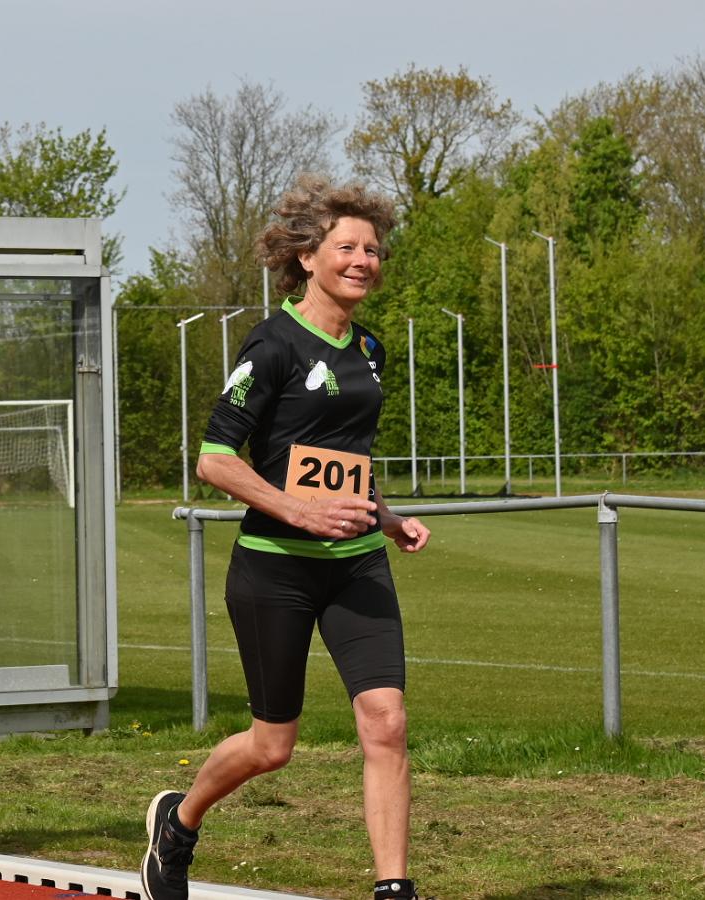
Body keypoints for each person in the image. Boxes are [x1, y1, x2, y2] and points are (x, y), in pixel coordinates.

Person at [141, 176, 432, 900]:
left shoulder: (371, 349)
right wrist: (298, 513)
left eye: (373, 249)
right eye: (347, 247)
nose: (363, 260)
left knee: (387, 722)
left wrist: (385, 517)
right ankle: (178, 822)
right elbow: (215, 460)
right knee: (273, 745)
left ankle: (393, 887)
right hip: (275, 569)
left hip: (356, 567)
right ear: (307, 258)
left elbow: (344, 459)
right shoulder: (272, 344)